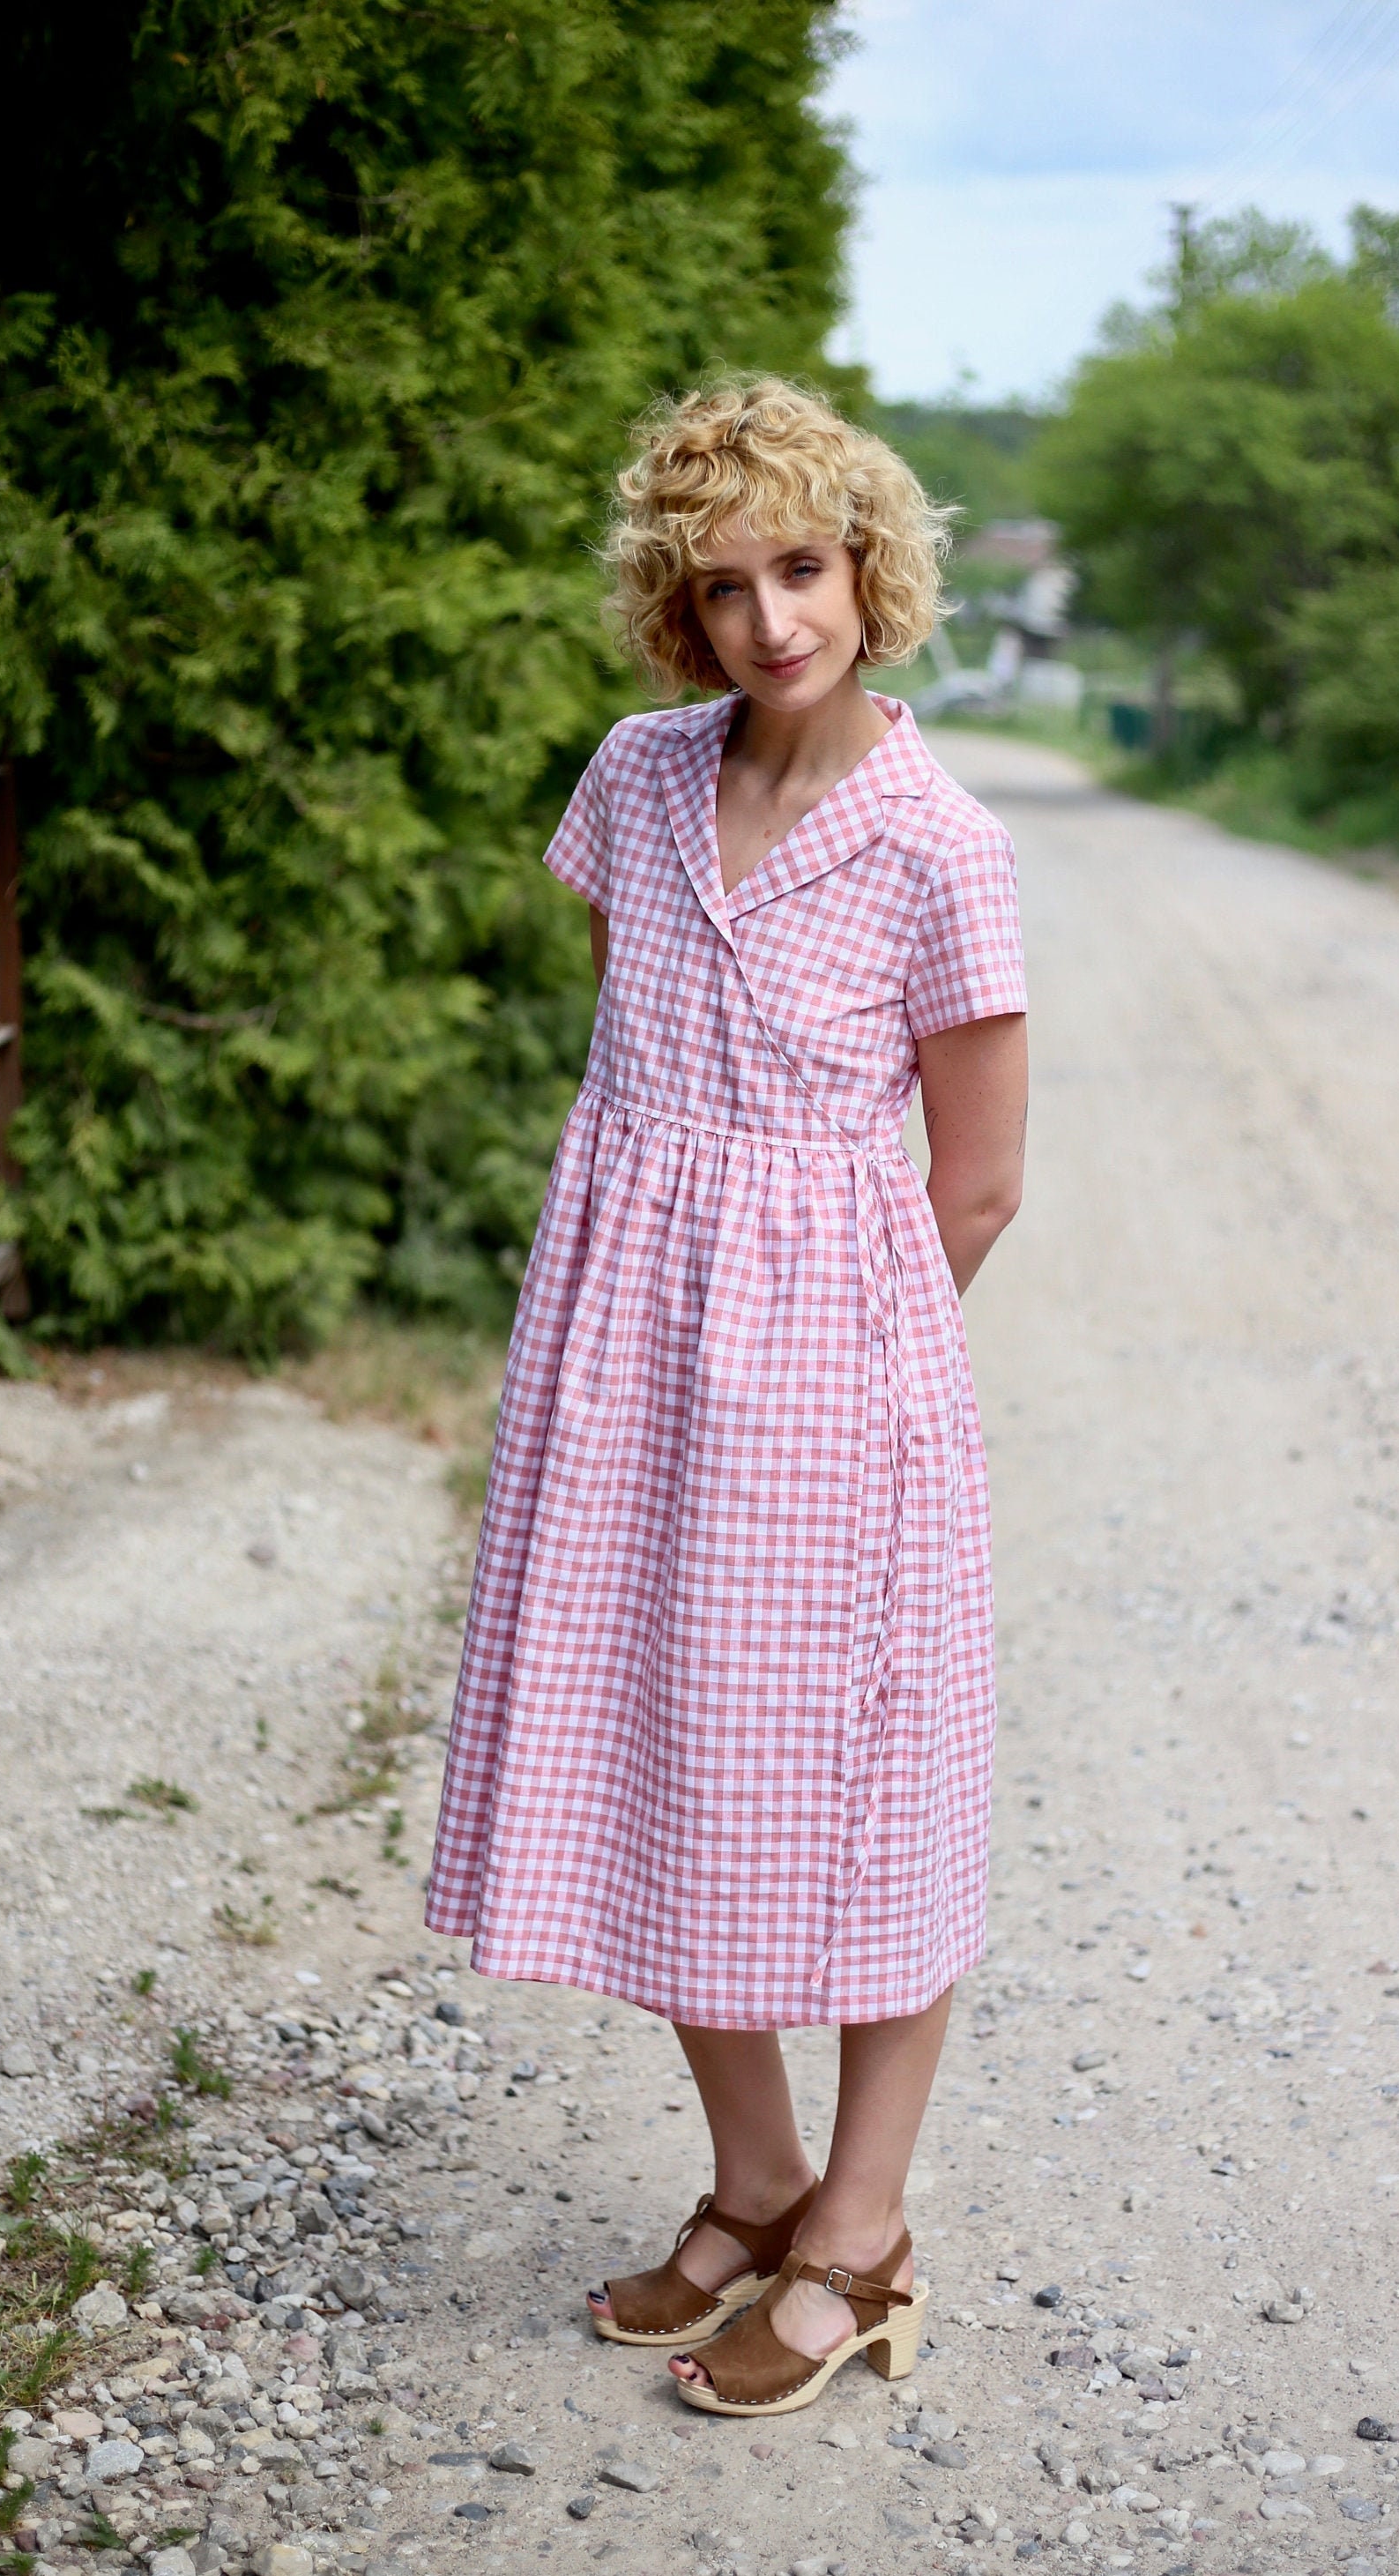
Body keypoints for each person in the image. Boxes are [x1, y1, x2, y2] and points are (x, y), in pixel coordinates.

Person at [425, 376, 1028, 2418]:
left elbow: (981, 1175)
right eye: (727, 585)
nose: (776, 618)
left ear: (868, 566)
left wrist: (820, 1372)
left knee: (861, 1802)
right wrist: (661, 1334)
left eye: (804, 565)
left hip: (833, 1396)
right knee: (659, 1759)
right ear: (678, 612)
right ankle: (755, 2181)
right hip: (629, 1367)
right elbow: (640, 1057)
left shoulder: (940, 845)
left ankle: (860, 2233)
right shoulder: (634, 779)